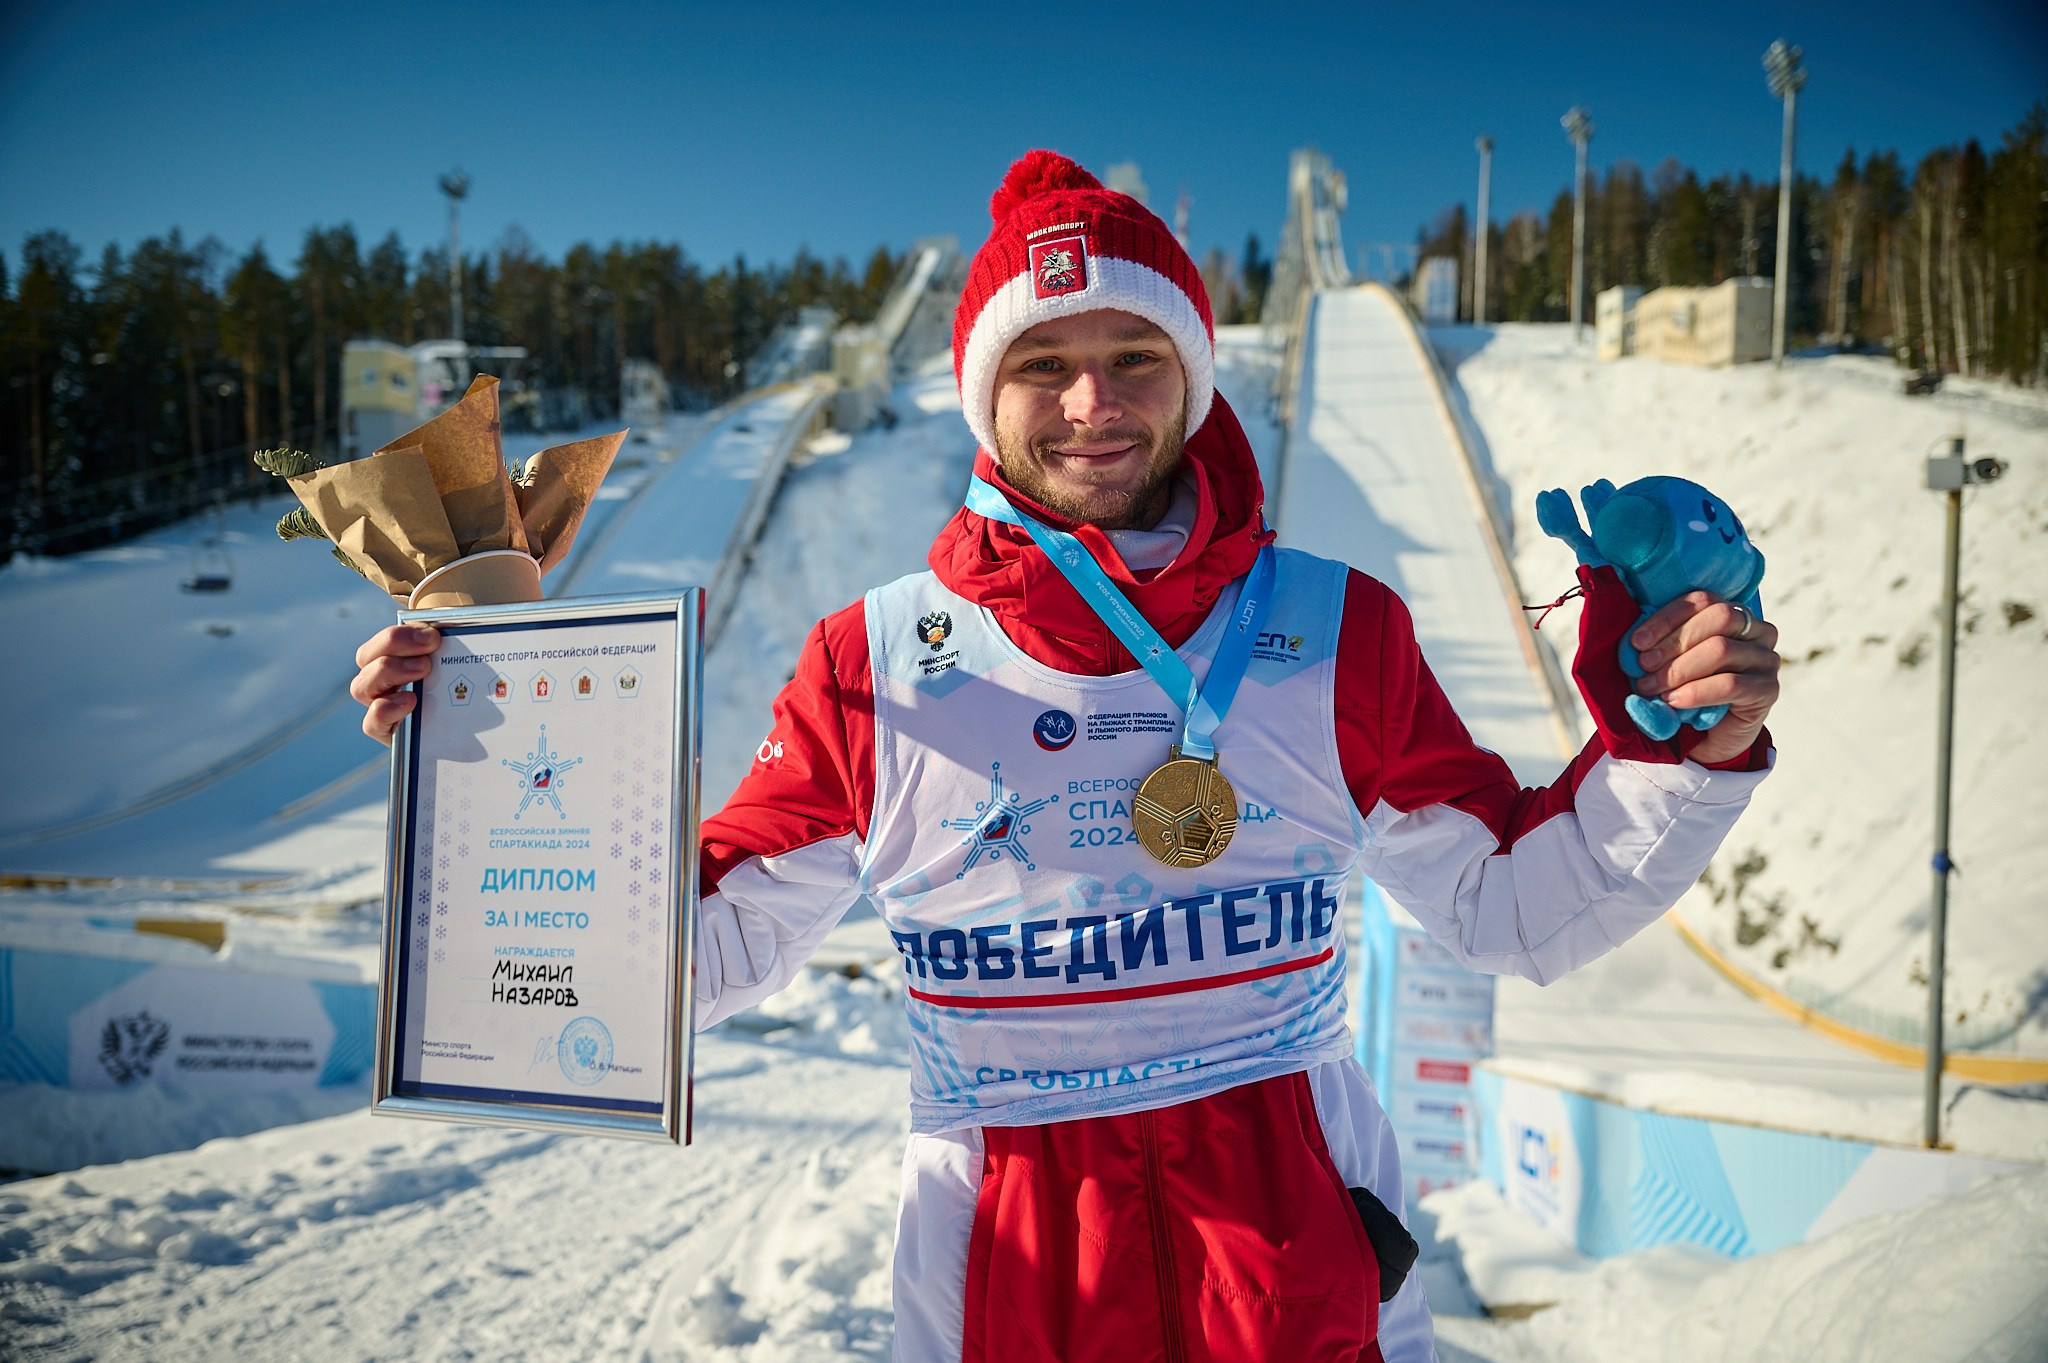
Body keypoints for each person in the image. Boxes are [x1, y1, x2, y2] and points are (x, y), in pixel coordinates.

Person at [350, 151, 1781, 1363]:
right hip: (1011, 1294)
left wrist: (1682, 749)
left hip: (1301, 1285)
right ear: (986, 395)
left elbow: (1516, 910)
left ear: (1194, 377)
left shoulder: (1334, 629)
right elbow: (683, 968)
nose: (1094, 403)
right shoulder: (870, 662)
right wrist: (486, 761)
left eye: (1134, 358)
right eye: (1044, 365)